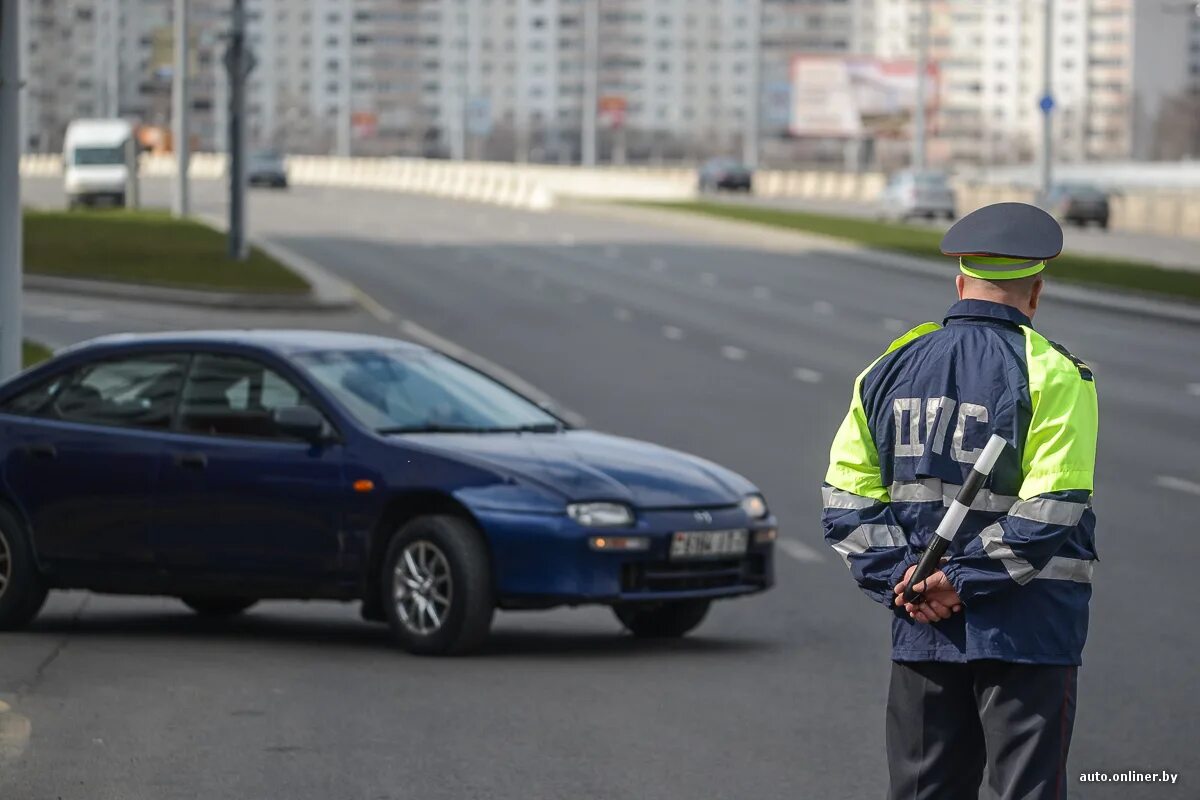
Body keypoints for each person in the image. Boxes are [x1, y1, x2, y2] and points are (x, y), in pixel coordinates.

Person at [821, 202, 1098, 800]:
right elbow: (1055, 504)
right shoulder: (1054, 373)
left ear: (959, 281)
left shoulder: (888, 367)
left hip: (922, 624)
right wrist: (962, 582)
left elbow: (846, 496)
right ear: (1036, 292)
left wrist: (907, 582)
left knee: (925, 790)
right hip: (1028, 631)